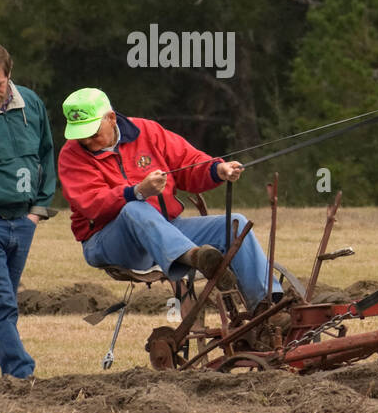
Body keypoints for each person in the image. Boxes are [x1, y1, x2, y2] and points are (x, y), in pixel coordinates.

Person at [56, 88, 281, 313]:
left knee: (236, 225)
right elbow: (93, 203)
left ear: (111, 118)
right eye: (80, 135)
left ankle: (269, 308)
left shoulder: (147, 131)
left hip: (164, 229)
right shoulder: (71, 155)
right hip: (108, 241)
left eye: (93, 133)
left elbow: (189, 161)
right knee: (134, 208)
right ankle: (192, 256)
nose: (87, 141)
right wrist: (137, 191)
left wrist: (217, 169)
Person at [0, 43, 56, 378]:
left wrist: (38, 210)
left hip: (23, 220)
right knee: (1, 301)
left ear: (9, 75)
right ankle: (20, 373)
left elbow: (46, 153)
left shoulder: (31, 103)